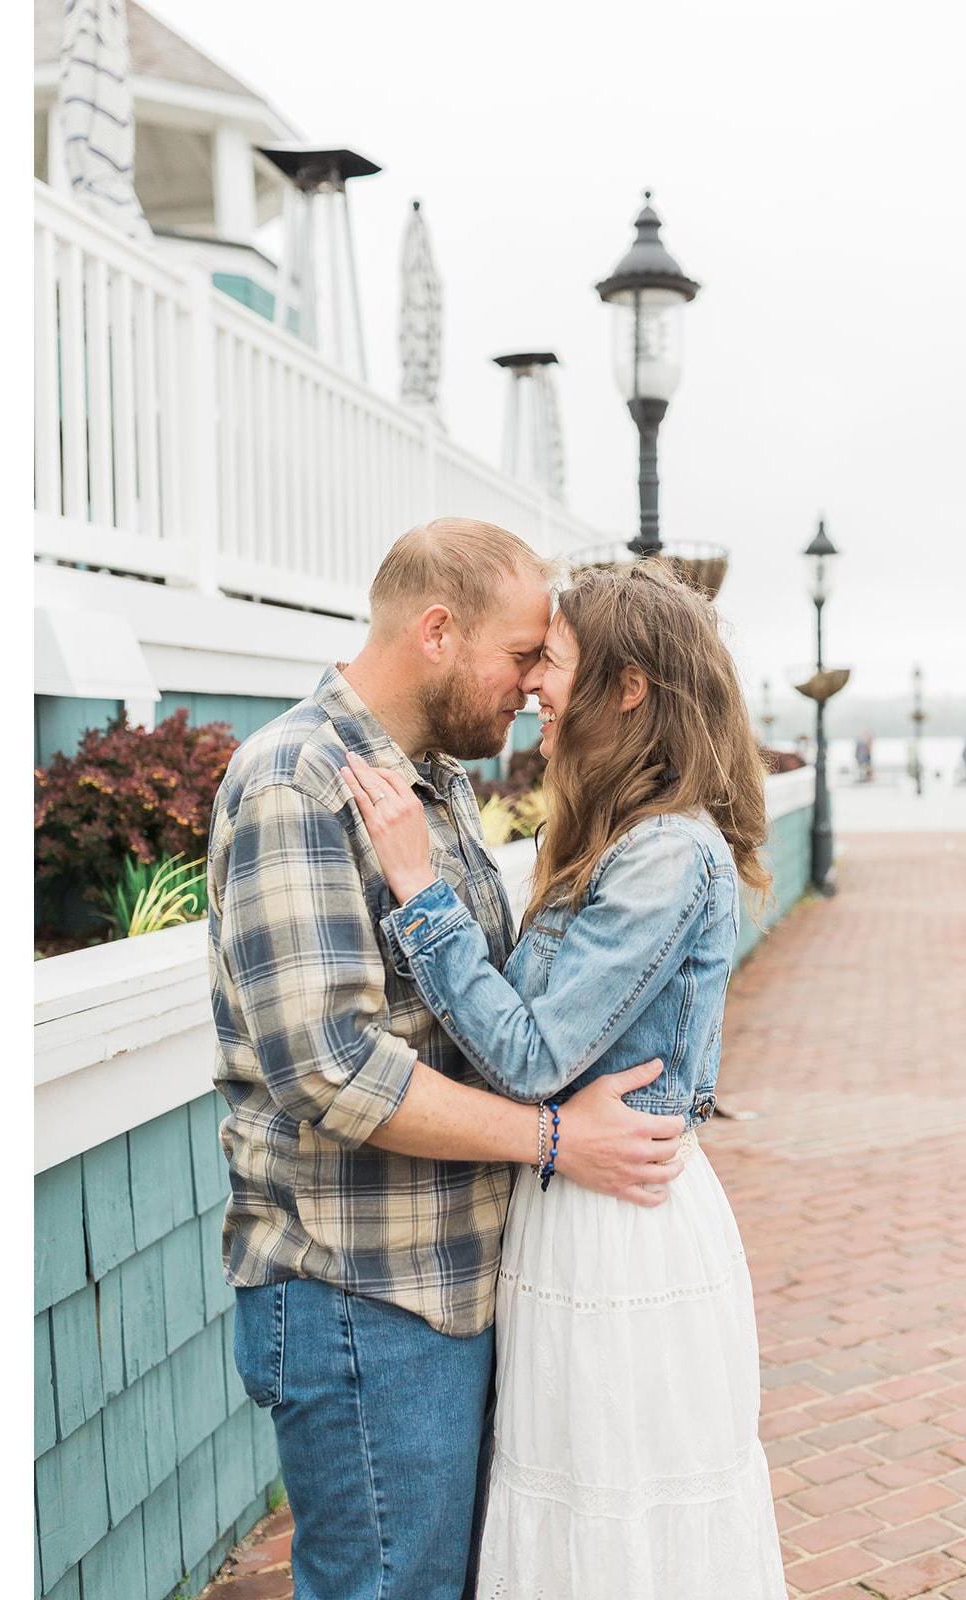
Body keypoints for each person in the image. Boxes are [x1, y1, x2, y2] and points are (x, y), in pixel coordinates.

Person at [208, 519, 686, 1600]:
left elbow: (481, 1016)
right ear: (436, 630)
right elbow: (329, 1066)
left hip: (453, 1282)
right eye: (522, 654)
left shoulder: (429, 781)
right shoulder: (296, 780)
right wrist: (561, 1141)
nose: (532, 683)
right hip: (360, 1292)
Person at [343, 560, 787, 1599]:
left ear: (627, 688)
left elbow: (534, 1054)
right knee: (571, 1520)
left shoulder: (669, 854)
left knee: (623, 1527)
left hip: (623, 1224)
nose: (534, 680)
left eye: (554, 659)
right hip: (573, 1206)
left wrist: (417, 887)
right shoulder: (610, 838)